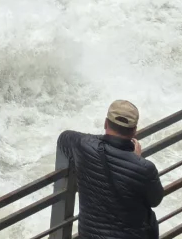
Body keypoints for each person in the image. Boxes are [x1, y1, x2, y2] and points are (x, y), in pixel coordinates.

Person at [54, 99, 163, 239]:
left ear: (106, 123)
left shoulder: (83, 146)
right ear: (134, 131)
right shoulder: (145, 168)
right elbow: (156, 200)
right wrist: (136, 158)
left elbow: (63, 138)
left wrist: (102, 141)